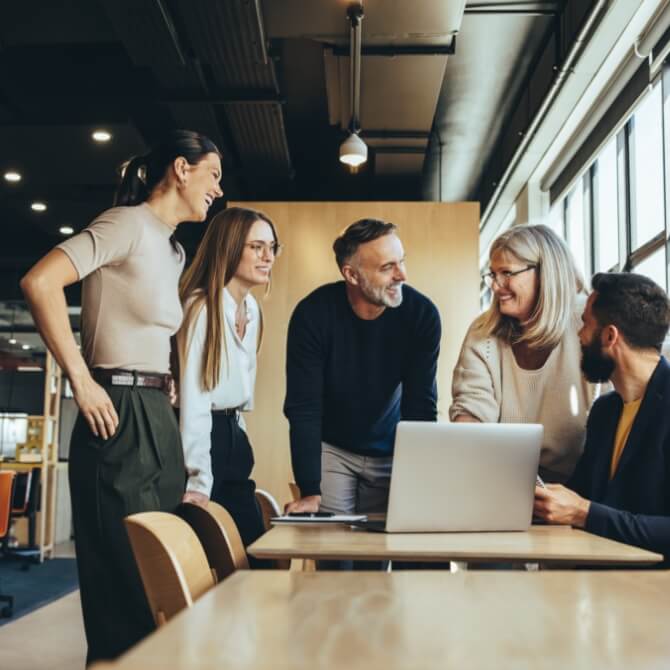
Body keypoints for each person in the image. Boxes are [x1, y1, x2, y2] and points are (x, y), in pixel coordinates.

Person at [20, 129, 223, 664]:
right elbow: (40, 282)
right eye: (213, 175)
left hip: (156, 415)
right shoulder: (125, 223)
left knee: (162, 589)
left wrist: (165, 379)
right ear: (181, 168)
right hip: (117, 412)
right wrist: (81, 381)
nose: (218, 190)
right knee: (125, 595)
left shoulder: (174, 249)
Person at [284, 218, 441, 517]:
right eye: (387, 267)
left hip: (395, 447)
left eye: (402, 262)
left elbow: (420, 405)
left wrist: (421, 479)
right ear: (352, 275)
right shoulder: (313, 315)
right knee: (334, 555)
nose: (402, 275)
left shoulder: (422, 315)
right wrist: (309, 489)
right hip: (334, 449)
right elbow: (304, 407)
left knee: (379, 552)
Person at [534, 272, 670, 565]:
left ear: (610, 336)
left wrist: (584, 512)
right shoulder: (605, 411)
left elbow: (585, 508)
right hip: (601, 585)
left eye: (585, 323)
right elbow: (580, 494)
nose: (579, 335)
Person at [450, 224, 599, 483]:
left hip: (583, 482)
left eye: (507, 273)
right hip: (504, 479)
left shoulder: (587, 322)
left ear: (545, 274)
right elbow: (470, 411)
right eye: (493, 274)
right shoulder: (483, 332)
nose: (496, 286)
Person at [176, 206, 280, 559]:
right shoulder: (202, 307)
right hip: (205, 441)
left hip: (233, 435)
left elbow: (239, 393)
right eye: (257, 247)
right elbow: (194, 399)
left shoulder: (251, 308)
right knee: (223, 559)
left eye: (272, 247)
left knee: (253, 553)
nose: (268, 257)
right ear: (230, 247)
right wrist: (199, 480)